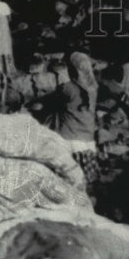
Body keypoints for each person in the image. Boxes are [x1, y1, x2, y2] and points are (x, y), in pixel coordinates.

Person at [30, 52, 101, 187]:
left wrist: (50, 58)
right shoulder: (92, 89)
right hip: (87, 142)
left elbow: (59, 71)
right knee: (81, 182)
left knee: (62, 179)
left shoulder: (69, 89)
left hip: (69, 140)